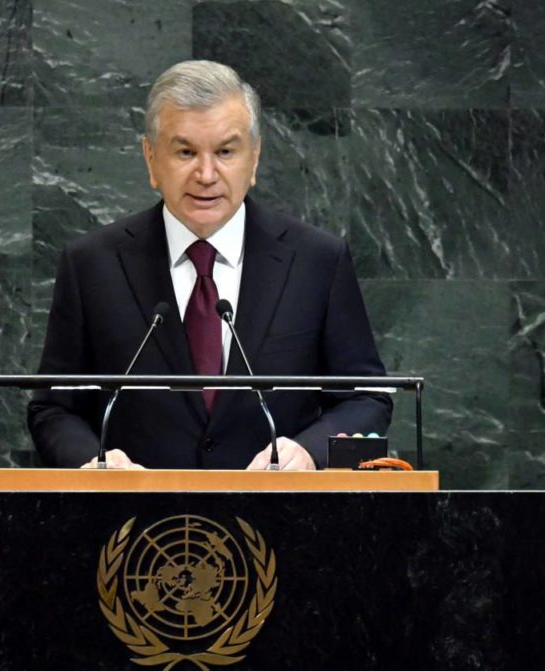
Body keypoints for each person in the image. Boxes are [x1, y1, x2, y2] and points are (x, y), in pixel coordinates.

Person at [27, 60, 390, 470]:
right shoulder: (93, 264)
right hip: (136, 509)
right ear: (150, 158)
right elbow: (53, 408)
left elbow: (366, 399)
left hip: (279, 506)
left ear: (254, 158)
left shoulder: (317, 261)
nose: (205, 174)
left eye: (225, 152)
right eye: (185, 152)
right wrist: (94, 464)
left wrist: (308, 452)